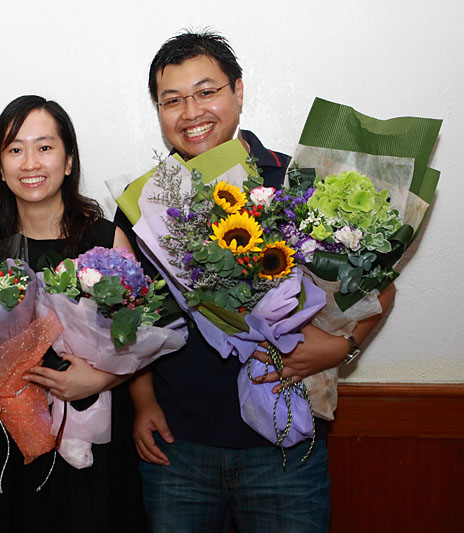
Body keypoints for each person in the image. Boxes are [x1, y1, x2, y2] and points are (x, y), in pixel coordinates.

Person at [114, 31, 396, 532]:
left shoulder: (297, 181)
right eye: (172, 100)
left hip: (285, 444)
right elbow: (133, 317)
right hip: (179, 446)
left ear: (238, 91)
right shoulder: (147, 203)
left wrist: (342, 346)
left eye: (206, 92)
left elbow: (380, 287)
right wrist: (144, 402)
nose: (191, 112)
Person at [0, 95, 146, 533]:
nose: (30, 162)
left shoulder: (107, 240)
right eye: (15, 149)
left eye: (44, 147)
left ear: (68, 161)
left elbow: (139, 340)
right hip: (16, 439)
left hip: (95, 437)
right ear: (0, 167)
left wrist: (98, 378)